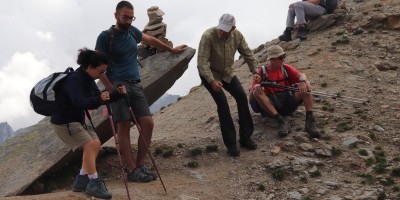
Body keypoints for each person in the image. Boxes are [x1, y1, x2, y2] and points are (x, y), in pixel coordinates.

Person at [95, 1, 187, 183]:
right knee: (123, 126)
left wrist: (171, 49)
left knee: (148, 123)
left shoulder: (132, 31)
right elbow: (98, 66)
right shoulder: (106, 36)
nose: (129, 21)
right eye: (125, 17)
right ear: (116, 15)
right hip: (118, 85)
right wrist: (112, 89)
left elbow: (150, 40)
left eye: (131, 17)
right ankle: (131, 170)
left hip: (136, 84)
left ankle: (140, 165)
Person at [51, 48, 126, 199]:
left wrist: (116, 94)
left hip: (76, 121)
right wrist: (99, 99)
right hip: (64, 123)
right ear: (90, 67)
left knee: (96, 143)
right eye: (101, 71)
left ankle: (81, 180)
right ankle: (93, 183)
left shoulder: (88, 79)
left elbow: (99, 97)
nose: (102, 74)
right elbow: (78, 102)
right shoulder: (74, 79)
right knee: (90, 145)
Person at [197, 13, 260, 157]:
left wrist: (255, 71)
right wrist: (212, 81)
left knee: (242, 97)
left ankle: (245, 138)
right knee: (223, 104)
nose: (222, 32)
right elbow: (202, 63)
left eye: (226, 29)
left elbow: (248, 53)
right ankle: (231, 144)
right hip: (210, 75)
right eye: (221, 28)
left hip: (227, 73)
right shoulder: (208, 36)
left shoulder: (237, 35)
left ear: (233, 28)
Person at [249, 45, 320, 138]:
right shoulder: (261, 72)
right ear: (272, 59)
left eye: (284, 57)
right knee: (256, 92)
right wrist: (257, 86)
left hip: (287, 103)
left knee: (306, 84)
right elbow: (251, 96)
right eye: (281, 57)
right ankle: (280, 121)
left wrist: (302, 81)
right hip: (271, 107)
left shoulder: (285, 68)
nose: (283, 60)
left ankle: (310, 121)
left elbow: (302, 75)